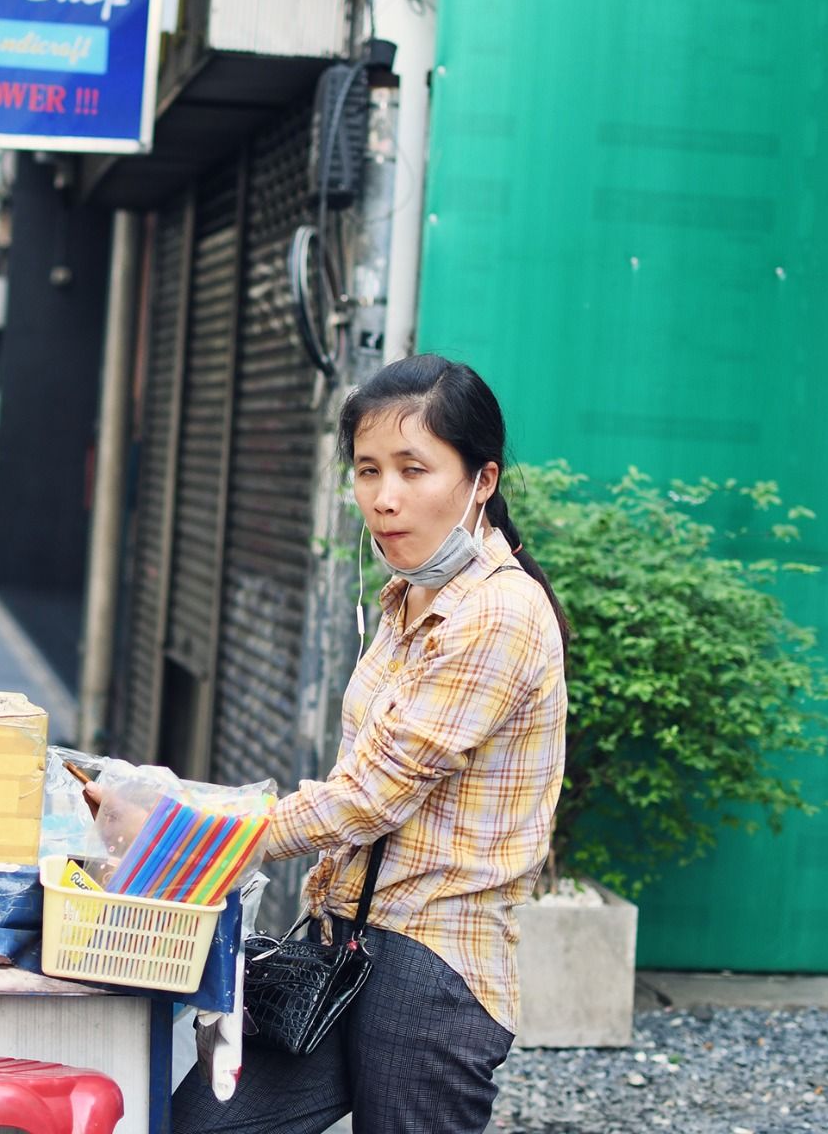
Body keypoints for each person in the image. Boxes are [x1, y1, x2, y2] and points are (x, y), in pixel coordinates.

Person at [151, 354, 570, 1134]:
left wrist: (195, 841)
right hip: (346, 940)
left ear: (482, 481)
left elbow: (373, 793)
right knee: (202, 1125)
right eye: (368, 469)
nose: (384, 498)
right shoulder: (411, 595)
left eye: (415, 469)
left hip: (431, 964)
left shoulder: (497, 616)